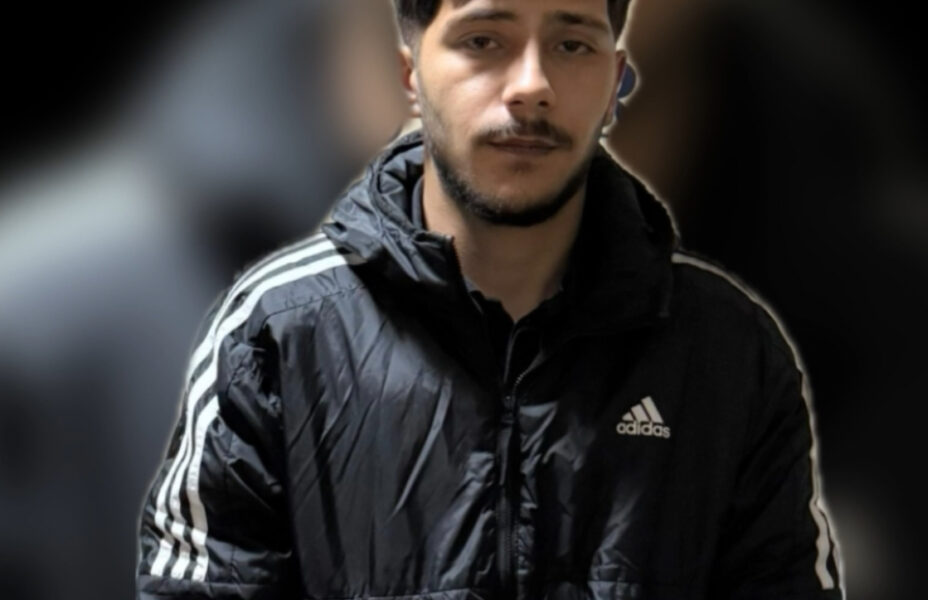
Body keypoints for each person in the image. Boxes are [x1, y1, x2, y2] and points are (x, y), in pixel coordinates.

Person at [135, 1, 844, 598]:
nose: (531, 85)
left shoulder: (728, 351)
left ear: (615, 79)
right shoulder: (278, 332)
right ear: (411, 75)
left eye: (571, 44)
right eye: (483, 41)